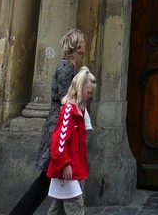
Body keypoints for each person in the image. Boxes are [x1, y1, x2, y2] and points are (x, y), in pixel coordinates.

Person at [8, 29, 86, 215]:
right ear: (76, 46)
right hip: (58, 124)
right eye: (82, 41)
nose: (85, 44)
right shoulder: (66, 68)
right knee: (47, 177)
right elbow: (66, 100)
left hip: (60, 122)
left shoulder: (70, 67)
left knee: (51, 178)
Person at [46, 66, 96, 215]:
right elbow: (59, 140)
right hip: (67, 171)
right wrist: (65, 163)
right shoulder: (69, 110)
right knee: (75, 208)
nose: (89, 96)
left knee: (58, 209)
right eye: (88, 92)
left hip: (71, 171)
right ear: (80, 89)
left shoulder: (78, 111)